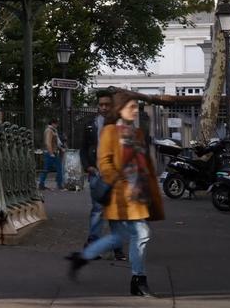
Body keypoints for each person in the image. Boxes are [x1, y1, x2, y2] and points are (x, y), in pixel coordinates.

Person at [67, 93, 165, 297]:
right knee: (141, 233)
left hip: (138, 195)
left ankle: (83, 256)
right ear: (120, 109)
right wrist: (123, 183)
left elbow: (143, 164)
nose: (135, 110)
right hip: (121, 196)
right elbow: (105, 163)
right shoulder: (110, 132)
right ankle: (138, 280)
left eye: (137, 107)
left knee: (119, 236)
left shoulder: (137, 133)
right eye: (131, 106)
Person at [81, 91, 126, 261]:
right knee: (98, 211)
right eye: (101, 105)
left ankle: (117, 249)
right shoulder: (90, 124)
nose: (104, 107)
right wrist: (88, 167)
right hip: (97, 174)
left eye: (107, 104)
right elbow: (83, 149)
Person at [38, 118, 64, 190]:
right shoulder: (49, 130)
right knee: (58, 168)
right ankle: (59, 184)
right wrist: (51, 153)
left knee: (46, 169)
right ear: (53, 123)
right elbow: (48, 142)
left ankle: (41, 183)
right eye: (56, 124)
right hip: (51, 153)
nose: (57, 125)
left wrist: (60, 148)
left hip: (51, 152)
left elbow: (54, 142)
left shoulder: (52, 130)